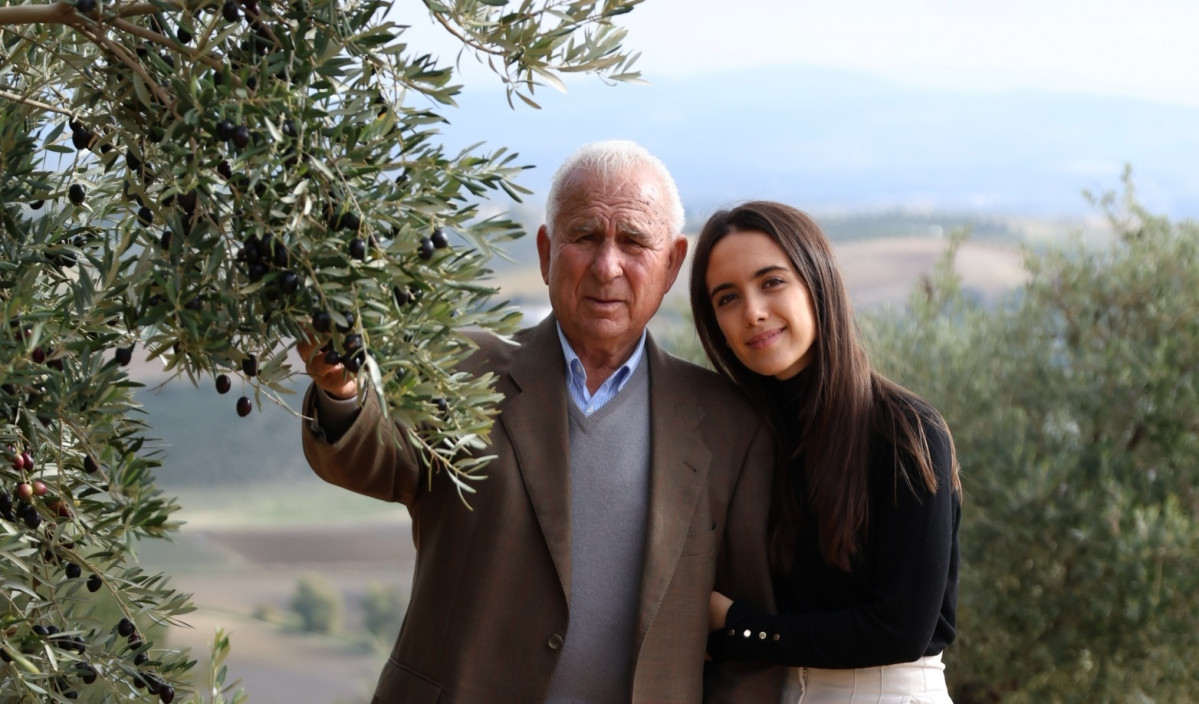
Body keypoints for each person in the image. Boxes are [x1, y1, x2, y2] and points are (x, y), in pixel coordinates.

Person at [298, 141, 783, 703]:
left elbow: (747, 647)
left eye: (632, 241)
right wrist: (344, 392)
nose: (607, 266)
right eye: (585, 237)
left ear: (672, 263)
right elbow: (369, 453)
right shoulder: (459, 368)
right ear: (546, 250)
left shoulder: (727, 426)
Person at [689, 201, 961, 703]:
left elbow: (901, 628)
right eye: (727, 298)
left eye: (772, 282)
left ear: (818, 281)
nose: (753, 312)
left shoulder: (905, 433)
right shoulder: (745, 438)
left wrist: (738, 628)